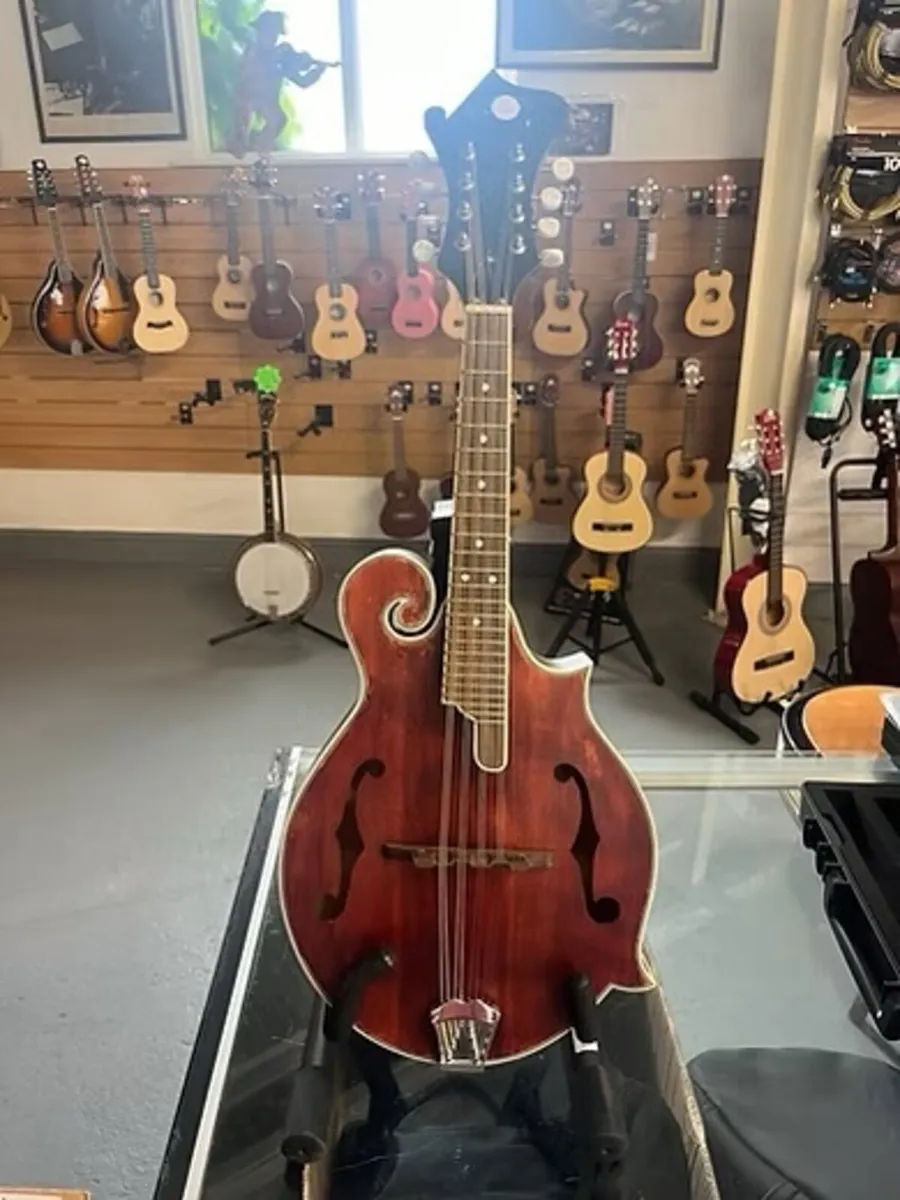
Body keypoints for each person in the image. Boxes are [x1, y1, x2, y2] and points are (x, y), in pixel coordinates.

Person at [230, 9, 339, 157]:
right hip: (247, 98)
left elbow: (303, 81)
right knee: (241, 134)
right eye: (265, 31)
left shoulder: (283, 56)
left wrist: (317, 69)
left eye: (273, 33)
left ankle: (260, 149)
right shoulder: (252, 51)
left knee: (278, 120)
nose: (269, 37)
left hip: (267, 102)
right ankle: (242, 144)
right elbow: (246, 75)